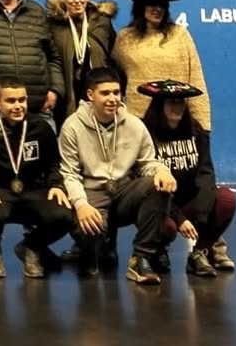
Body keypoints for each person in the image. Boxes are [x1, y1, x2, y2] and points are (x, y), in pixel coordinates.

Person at [58, 67, 177, 284]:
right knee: (89, 232)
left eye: (116, 92)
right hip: (91, 193)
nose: (113, 99)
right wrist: (81, 204)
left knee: (156, 187)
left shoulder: (134, 125)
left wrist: (161, 171)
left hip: (124, 191)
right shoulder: (72, 127)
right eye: (105, 93)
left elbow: (147, 162)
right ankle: (91, 250)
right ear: (90, 95)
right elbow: (70, 173)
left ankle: (141, 258)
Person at [0, 77, 74, 279]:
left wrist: (56, 185)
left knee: (65, 215)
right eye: (11, 101)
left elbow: (53, 163)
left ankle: (31, 247)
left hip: (33, 190)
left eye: (22, 100)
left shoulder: (40, 127)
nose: (18, 106)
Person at [139, 79, 236, 275]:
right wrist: (180, 218)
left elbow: (206, 174)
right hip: (161, 205)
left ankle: (200, 252)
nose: (178, 107)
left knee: (226, 199)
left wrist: (201, 216)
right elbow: (150, 185)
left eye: (181, 102)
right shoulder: (145, 134)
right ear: (160, 106)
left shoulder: (196, 132)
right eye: (172, 102)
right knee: (167, 227)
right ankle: (158, 249)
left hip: (191, 202)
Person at [112, 0, 210, 130]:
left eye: (162, 5)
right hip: (137, 122)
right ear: (140, 6)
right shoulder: (124, 38)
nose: (158, 9)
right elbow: (114, 79)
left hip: (174, 121)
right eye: (152, 4)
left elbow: (195, 78)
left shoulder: (180, 34)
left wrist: (203, 126)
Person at [46, 0, 117, 127]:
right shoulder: (54, 25)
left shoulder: (101, 23)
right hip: (67, 98)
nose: (76, 0)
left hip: (98, 95)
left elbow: (113, 57)